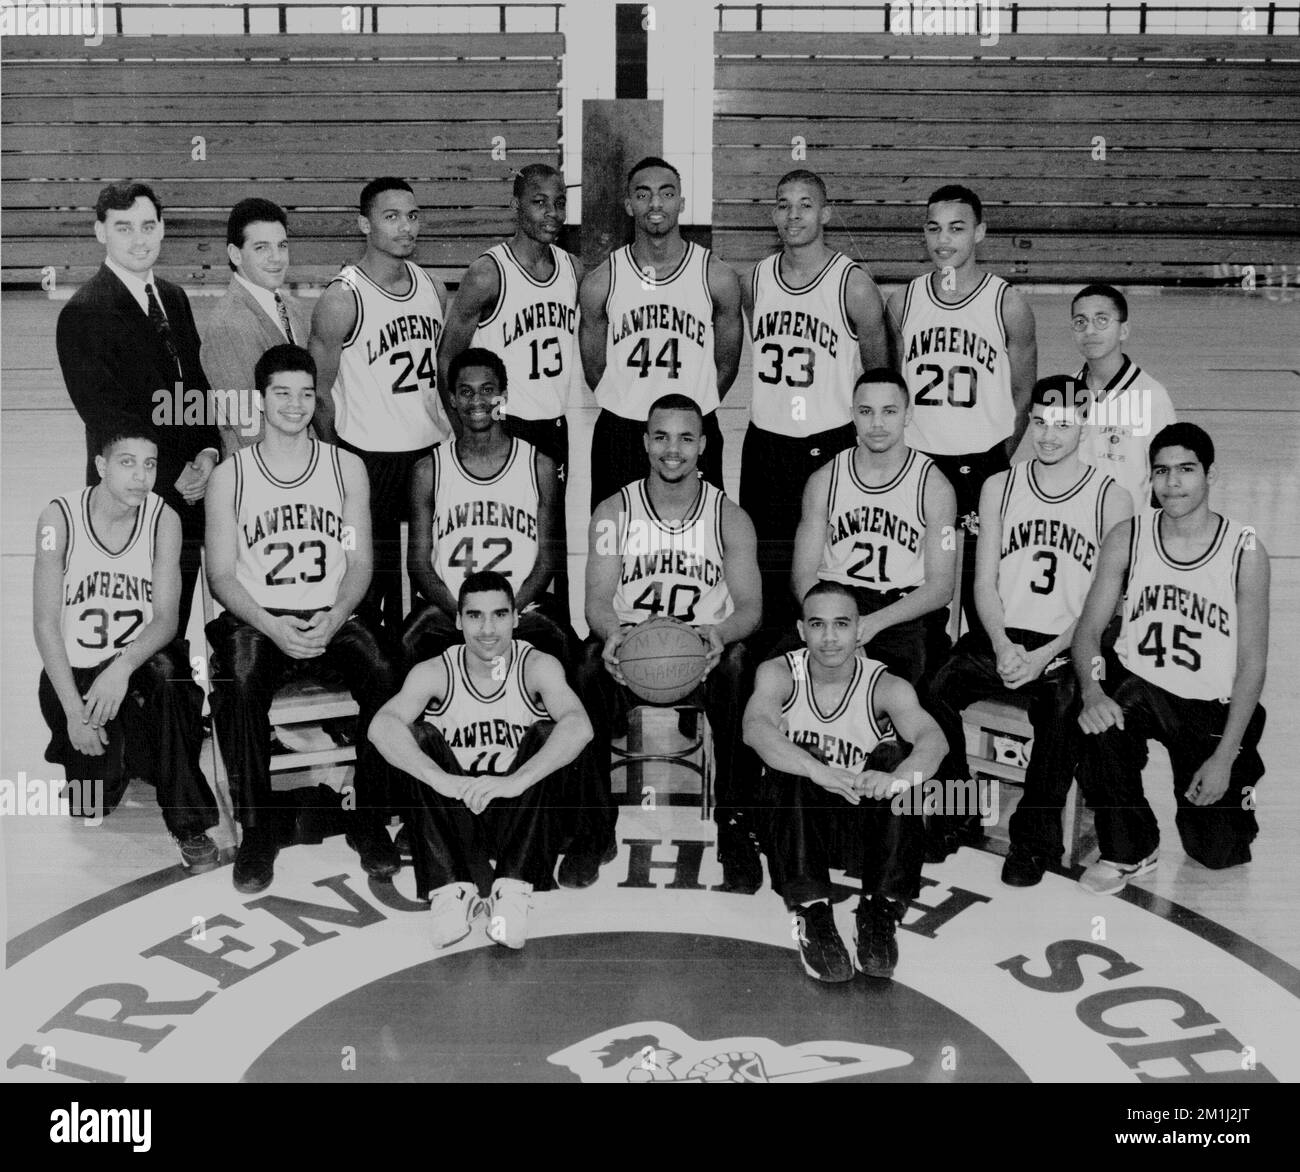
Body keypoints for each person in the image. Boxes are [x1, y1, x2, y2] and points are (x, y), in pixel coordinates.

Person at [204, 344, 401, 894]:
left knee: (387, 672)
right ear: (260, 400)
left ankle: (369, 817)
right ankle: (258, 829)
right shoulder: (231, 476)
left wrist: (337, 615)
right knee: (238, 682)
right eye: (282, 394)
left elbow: (361, 562)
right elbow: (222, 576)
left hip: (332, 612)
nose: (295, 405)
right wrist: (272, 626)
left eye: (306, 394)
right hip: (258, 618)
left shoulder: (346, 469)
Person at [924, 376, 1132, 875]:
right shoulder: (1000, 486)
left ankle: (1034, 842)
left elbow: (1104, 609)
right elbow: (983, 581)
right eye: (1039, 422)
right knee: (931, 686)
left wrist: (1043, 656)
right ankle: (960, 808)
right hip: (1003, 633)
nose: (1048, 435)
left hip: (1072, 642)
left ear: (1085, 426)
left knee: (1062, 707)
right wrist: (999, 643)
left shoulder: (1112, 499)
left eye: (1062, 424)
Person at [574, 394, 764, 891]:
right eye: (661, 436)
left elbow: (750, 607)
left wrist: (719, 635)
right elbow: (595, 600)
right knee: (586, 671)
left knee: (743, 670)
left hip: (703, 651)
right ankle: (594, 830)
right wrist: (612, 635)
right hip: (634, 647)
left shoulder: (729, 516)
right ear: (645, 442)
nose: (672, 449)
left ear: (703, 444)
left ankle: (736, 829)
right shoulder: (615, 511)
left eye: (685, 437)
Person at [1073, 423, 1268, 894]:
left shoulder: (1245, 550)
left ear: (1210, 475)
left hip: (1211, 707)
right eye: (1161, 472)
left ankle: (1226, 779)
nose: (1172, 483)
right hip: (1144, 690)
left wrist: (1223, 757)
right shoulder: (1128, 536)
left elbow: (1254, 666)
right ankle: (1130, 849)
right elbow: (1088, 632)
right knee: (1098, 725)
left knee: (1218, 854)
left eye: (1186, 470)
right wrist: (1092, 690)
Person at [369, 571, 594, 950]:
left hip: (518, 812)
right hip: (457, 813)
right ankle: (450, 891)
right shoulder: (437, 670)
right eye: (474, 616)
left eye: (499, 615)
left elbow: (579, 727)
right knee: (419, 738)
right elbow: (382, 726)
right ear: (458, 621)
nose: (487, 628)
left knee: (545, 734)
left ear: (516, 618)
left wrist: (517, 779)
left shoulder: (537, 665)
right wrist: (440, 778)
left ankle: (512, 891)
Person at [33, 423, 219, 868]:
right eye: (127, 463)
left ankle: (188, 822)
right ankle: (122, 757)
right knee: (89, 805)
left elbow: (166, 620)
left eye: (150, 465)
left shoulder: (164, 519)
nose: (141, 476)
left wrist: (120, 668)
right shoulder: (57, 519)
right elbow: (44, 625)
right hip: (77, 679)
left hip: (136, 674)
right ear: (100, 466)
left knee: (169, 674)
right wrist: (76, 714)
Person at [743, 581, 946, 982]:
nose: (830, 637)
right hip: (795, 829)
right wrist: (816, 768)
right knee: (796, 762)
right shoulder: (779, 672)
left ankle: (879, 910)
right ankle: (813, 913)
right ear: (802, 631)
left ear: (859, 629)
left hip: (860, 834)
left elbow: (933, 741)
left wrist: (898, 780)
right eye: (817, 625)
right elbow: (755, 729)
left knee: (896, 759)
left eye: (841, 624)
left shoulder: (886, 685)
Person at [56, 181, 222, 625]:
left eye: (148, 226)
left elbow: (196, 388)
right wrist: (176, 473)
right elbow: (106, 417)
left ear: (163, 229)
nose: (139, 239)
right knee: (137, 631)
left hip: (188, 492)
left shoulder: (173, 297)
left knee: (177, 620)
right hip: (131, 497)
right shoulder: (83, 312)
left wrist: (206, 454)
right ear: (100, 232)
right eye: (124, 228)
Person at [741, 169, 891, 636]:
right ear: (773, 214)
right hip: (765, 442)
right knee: (765, 564)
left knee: (825, 562)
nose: (793, 214)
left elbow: (878, 374)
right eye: (783, 204)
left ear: (825, 213)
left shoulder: (853, 284)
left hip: (825, 443)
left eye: (805, 204)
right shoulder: (756, 280)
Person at [886, 184, 1037, 642]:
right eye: (933, 228)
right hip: (919, 467)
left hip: (981, 466)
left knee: (981, 588)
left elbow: (1023, 394)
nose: (944, 240)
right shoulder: (903, 302)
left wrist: (993, 457)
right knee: (911, 584)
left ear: (980, 233)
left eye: (957, 228)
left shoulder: (1007, 303)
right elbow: (893, 387)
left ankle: (986, 682)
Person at [308, 177, 451, 642]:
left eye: (412, 216)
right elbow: (319, 391)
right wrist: (340, 460)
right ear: (364, 224)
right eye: (392, 217)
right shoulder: (342, 297)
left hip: (429, 452)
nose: (406, 227)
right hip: (371, 457)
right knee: (372, 581)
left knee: (435, 573)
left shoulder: (432, 286)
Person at [438, 163, 582, 623]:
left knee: (550, 540)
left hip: (553, 428)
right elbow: (447, 358)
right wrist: (464, 429)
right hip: (505, 426)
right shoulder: (488, 272)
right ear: (515, 205)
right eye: (539, 202)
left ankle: (547, 628)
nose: (552, 212)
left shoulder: (572, 269)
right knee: (499, 534)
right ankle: (483, 622)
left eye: (560, 202)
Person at [579, 157, 743, 509]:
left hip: (690, 430)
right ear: (628, 204)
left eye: (666, 194)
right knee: (617, 542)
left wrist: (690, 413)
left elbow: (727, 366)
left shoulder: (716, 276)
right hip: (622, 432)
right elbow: (595, 370)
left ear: (681, 203)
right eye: (643, 194)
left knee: (697, 542)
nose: (655, 204)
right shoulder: (601, 281)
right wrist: (628, 402)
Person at [403, 348, 572, 668]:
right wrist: (462, 613)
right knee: (403, 648)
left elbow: (548, 558)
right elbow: (419, 564)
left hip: (521, 607)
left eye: (487, 390)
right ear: (451, 399)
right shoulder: (429, 469)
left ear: (503, 397)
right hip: (448, 610)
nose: (477, 401)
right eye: (465, 392)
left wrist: (508, 612)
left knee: (569, 649)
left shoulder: (539, 466)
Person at [790, 368, 957, 684]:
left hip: (901, 614)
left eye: (889, 411)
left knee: (919, 691)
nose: (877, 423)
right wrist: (834, 623)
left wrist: (870, 625)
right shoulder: (824, 480)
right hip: (832, 602)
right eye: (866, 412)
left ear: (908, 415)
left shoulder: (935, 488)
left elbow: (940, 587)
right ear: (852, 414)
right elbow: (803, 574)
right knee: (772, 675)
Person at [201, 197, 315, 457]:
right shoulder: (229, 323)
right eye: (262, 247)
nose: (276, 258)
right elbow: (249, 424)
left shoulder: (291, 306)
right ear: (235, 254)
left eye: (282, 245)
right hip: (263, 472)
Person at [1068, 282, 1176, 511]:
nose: (1089, 330)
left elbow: (1167, 476)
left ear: (1124, 330)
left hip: (1128, 533)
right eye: (1080, 322)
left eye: (1102, 320)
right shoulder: (1064, 391)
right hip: (1075, 531)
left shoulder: (1151, 397)